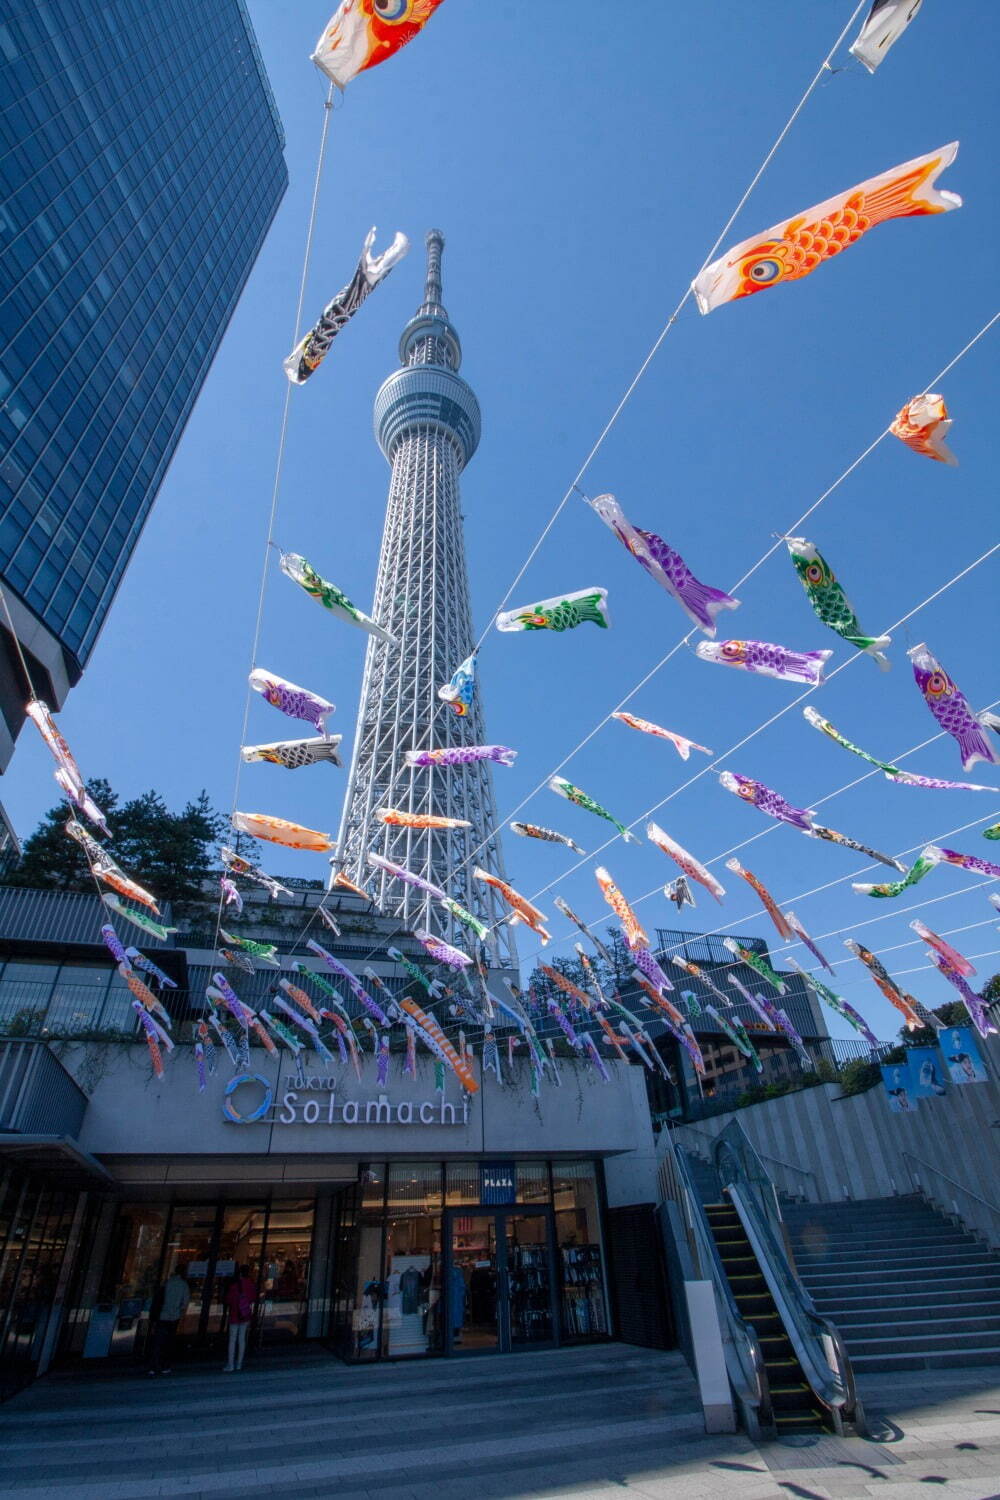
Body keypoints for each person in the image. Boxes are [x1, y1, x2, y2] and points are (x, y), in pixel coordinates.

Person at [148, 1265, 190, 1376]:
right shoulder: (183, 1285)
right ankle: (165, 1365)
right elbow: (184, 1304)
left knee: (158, 1342)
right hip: (174, 1317)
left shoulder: (166, 1283)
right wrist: (180, 1314)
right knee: (169, 1342)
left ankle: (153, 1366)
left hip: (162, 1316)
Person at [224, 1264, 256, 1372]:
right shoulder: (250, 1284)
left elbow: (228, 1300)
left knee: (232, 1339)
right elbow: (252, 1298)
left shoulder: (234, 1285)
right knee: (242, 1339)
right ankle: (239, 1363)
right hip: (245, 1314)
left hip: (234, 1314)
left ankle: (230, 1364)